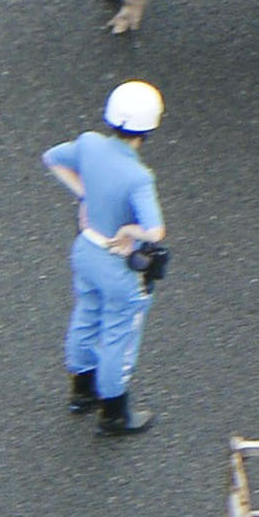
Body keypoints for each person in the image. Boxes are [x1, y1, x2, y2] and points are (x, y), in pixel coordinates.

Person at [43, 80, 166, 437]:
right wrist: (131, 232)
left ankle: (81, 390)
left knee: (85, 314)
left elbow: (52, 158)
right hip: (117, 262)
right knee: (118, 336)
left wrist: (83, 195)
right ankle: (114, 411)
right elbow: (155, 231)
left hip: (86, 249)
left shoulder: (89, 144)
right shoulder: (139, 177)